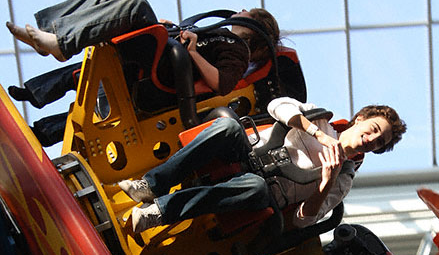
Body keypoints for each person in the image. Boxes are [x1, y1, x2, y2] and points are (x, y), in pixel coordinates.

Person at [6, 0, 280, 144]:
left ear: (252, 26)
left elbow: (223, 84)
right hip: (160, 54)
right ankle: (52, 37)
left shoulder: (237, 49)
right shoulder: (219, 33)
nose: (240, 11)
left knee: (136, 5)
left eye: (247, 12)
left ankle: (62, 44)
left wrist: (193, 52)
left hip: (165, 70)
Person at [118, 96, 406, 233]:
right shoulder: (321, 119)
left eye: (380, 142)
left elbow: (302, 220)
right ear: (360, 119)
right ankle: (151, 185)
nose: (373, 138)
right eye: (374, 128)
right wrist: (315, 132)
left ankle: (159, 212)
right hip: (248, 152)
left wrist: (326, 181)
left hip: (264, 189)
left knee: (254, 186)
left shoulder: (343, 180)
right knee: (228, 128)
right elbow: (277, 106)